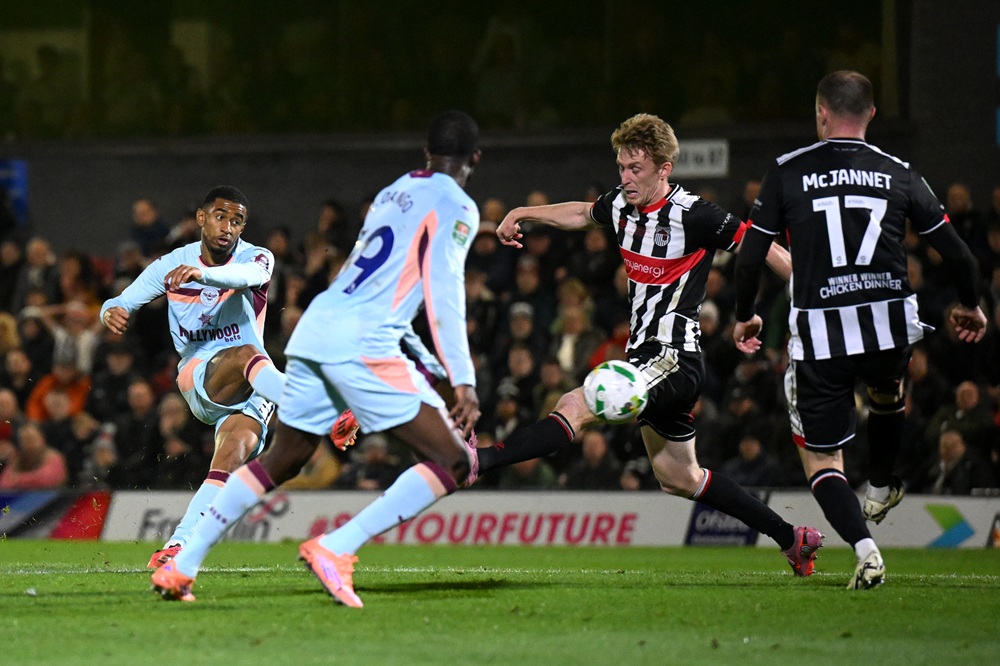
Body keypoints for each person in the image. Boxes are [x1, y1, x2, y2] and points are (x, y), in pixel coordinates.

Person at [153, 110, 483, 606]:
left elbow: (358, 272)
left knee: (286, 457)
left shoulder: (392, 194)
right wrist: (462, 379)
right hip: (365, 341)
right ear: (475, 159)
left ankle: (182, 565)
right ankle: (336, 547)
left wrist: (428, 364)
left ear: (425, 153)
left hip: (317, 328)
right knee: (454, 460)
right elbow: (443, 290)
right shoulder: (457, 204)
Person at [476, 112, 823, 577]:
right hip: (649, 358)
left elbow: (762, 248)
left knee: (576, 403)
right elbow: (582, 212)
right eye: (621, 167)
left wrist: (817, 294)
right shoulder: (621, 205)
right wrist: (522, 214)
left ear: (665, 168)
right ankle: (793, 539)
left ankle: (478, 461)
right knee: (681, 479)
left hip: (673, 356)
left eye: (635, 168)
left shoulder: (695, 214)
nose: (626, 178)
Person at [732, 71, 988, 590]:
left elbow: (751, 258)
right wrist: (970, 305)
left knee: (821, 458)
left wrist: (745, 313)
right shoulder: (899, 172)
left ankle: (867, 550)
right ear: (870, 114)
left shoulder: (787, 171)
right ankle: (884, 480)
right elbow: (960, 255)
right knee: (887, 392)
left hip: (822, 336)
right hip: (887, 327)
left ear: (822, 113)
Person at [102, 186, 289, 568]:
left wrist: (203, 275)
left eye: (237, 221)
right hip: (200, 375)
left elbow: (243, 276)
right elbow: (122, 299)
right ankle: (319, 408)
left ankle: (177, 548)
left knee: (229, 460)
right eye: (221, 216)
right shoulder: (172, 264)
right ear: (202, 218)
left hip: (256, 384)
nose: (228, 227)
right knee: (247, 353)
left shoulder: (258, 258)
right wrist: (112, 311)